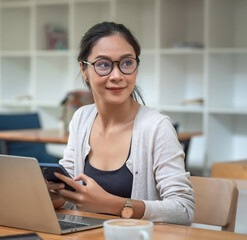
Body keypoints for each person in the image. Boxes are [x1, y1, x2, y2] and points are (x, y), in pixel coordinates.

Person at [47, 22, 195, 225]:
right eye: (103, 65)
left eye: (126, 63)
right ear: (84, 69)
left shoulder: (156, 127)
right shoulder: (81, 118)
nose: (117, 76)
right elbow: (70, 195)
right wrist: (55, 195)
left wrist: (113, 205)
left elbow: (184, 210)